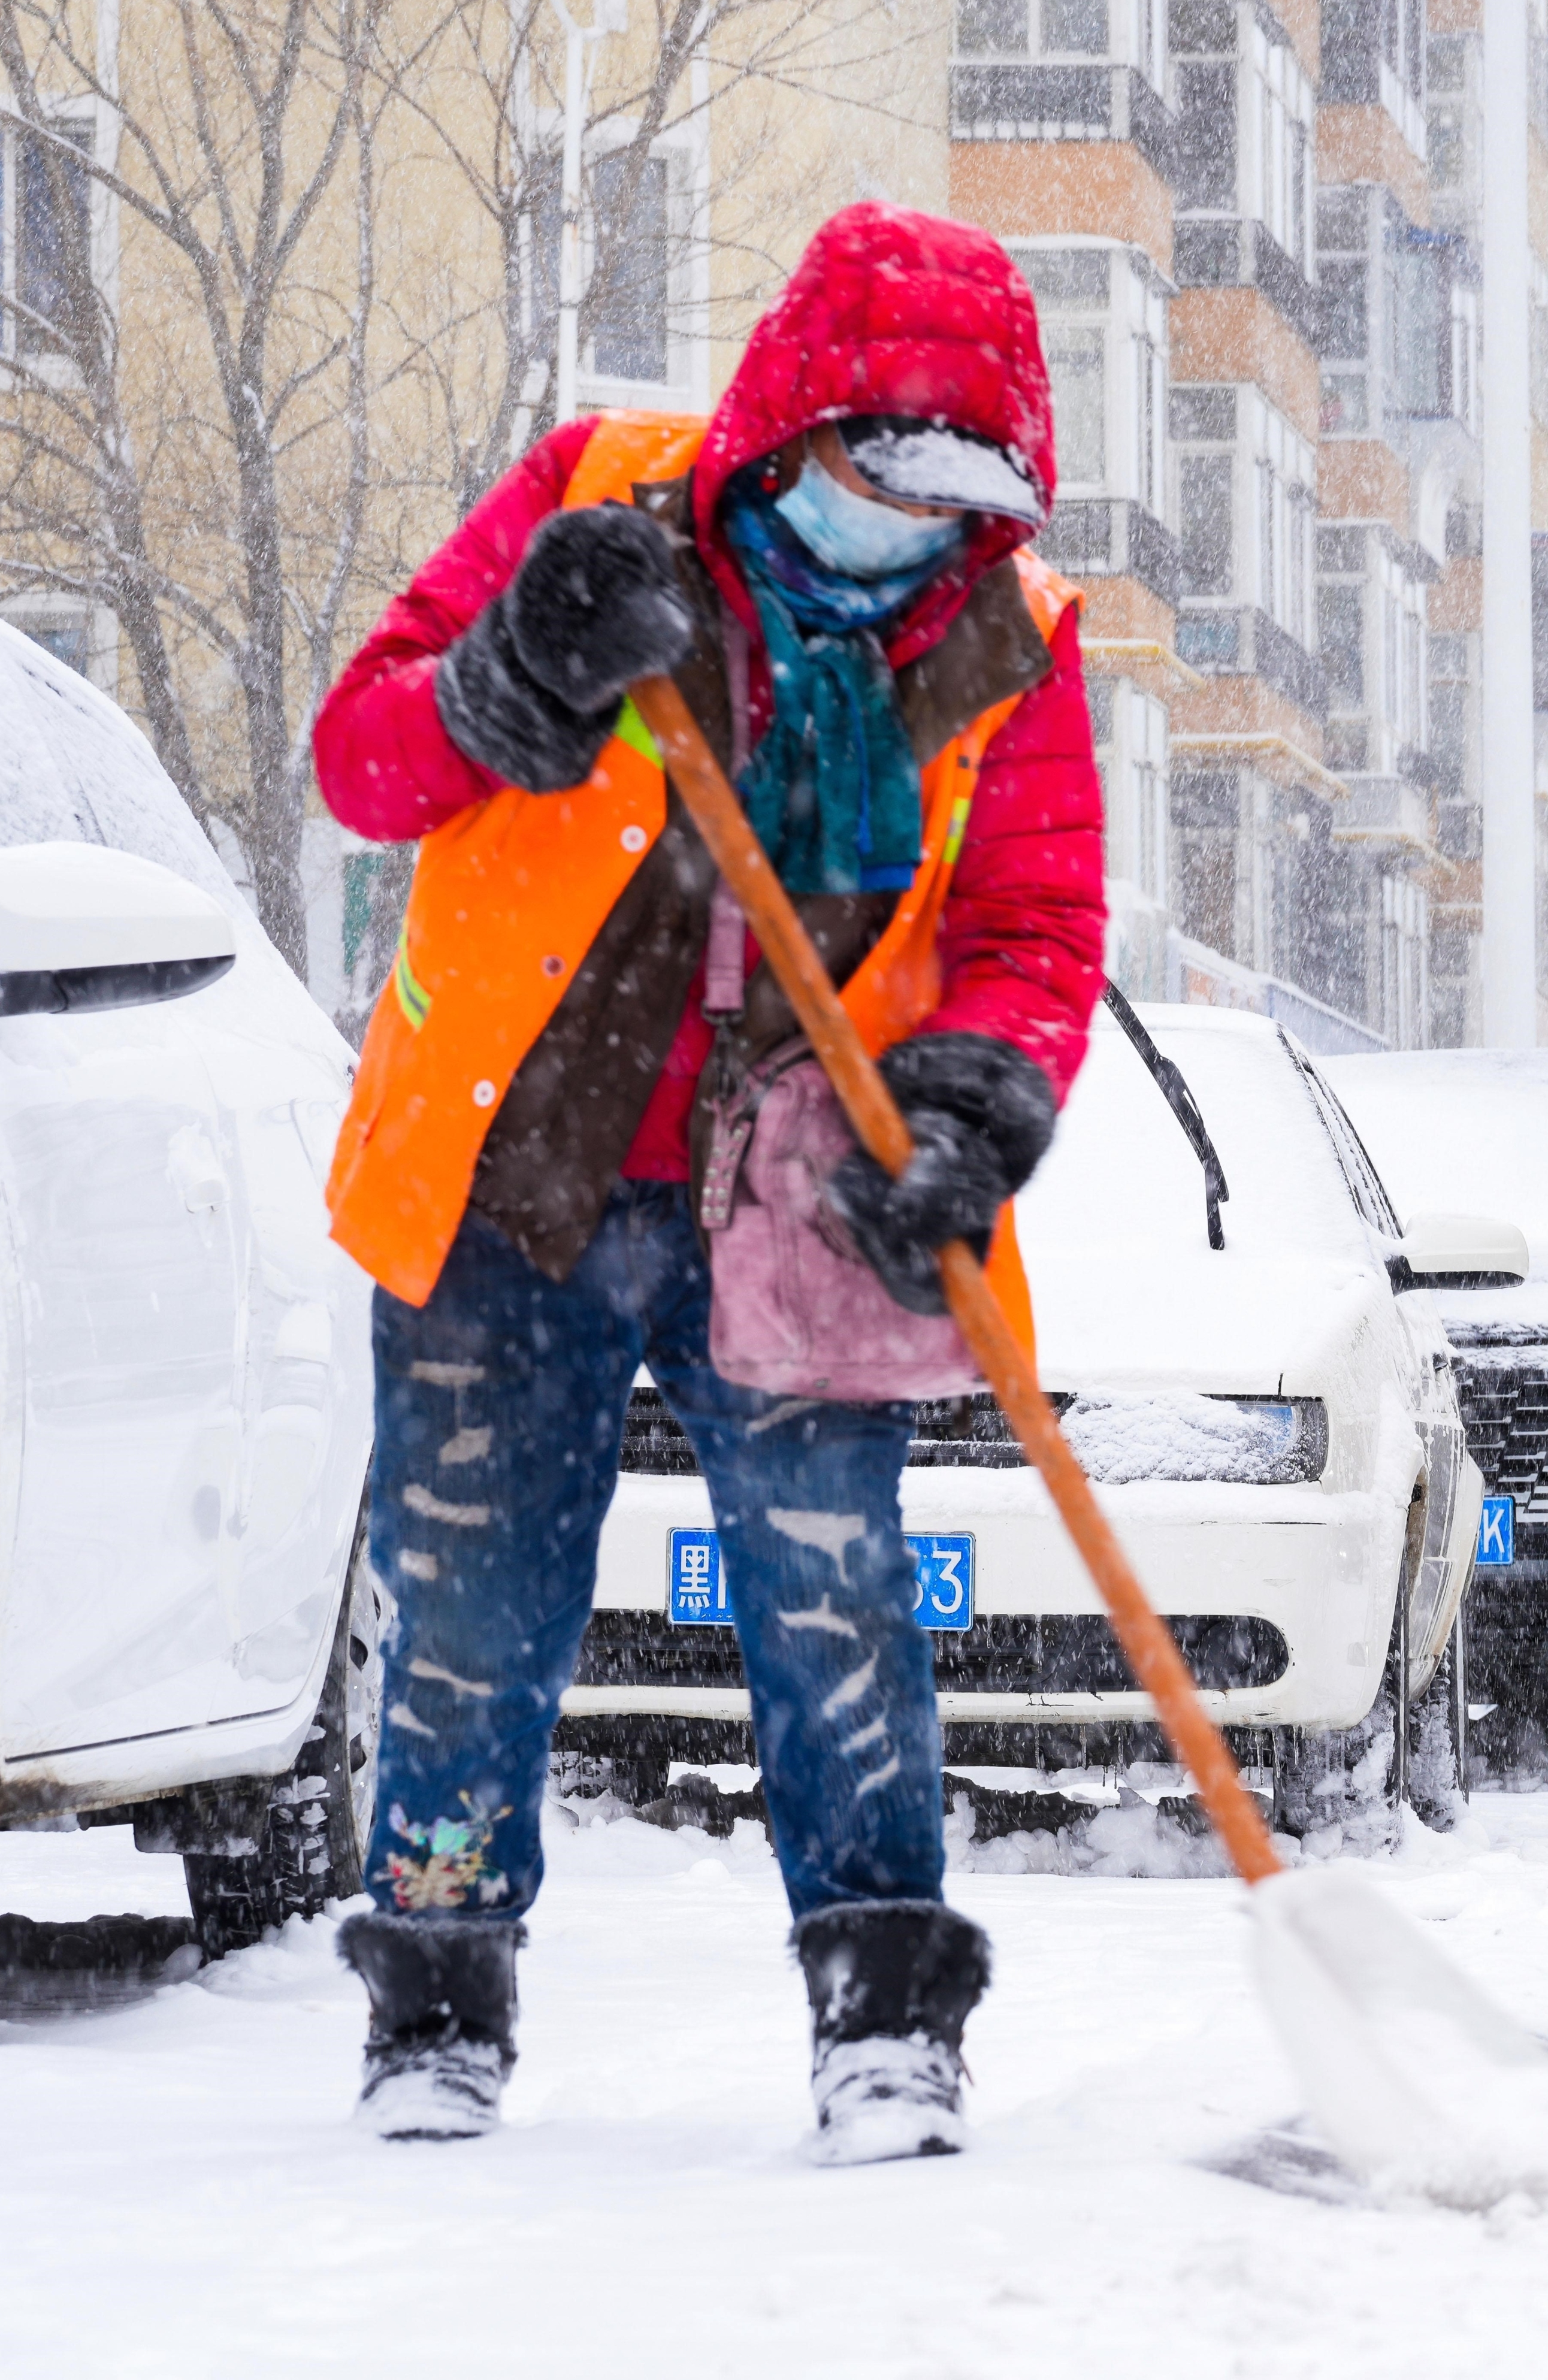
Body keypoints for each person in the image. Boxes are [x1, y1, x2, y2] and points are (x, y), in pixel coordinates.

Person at [309, 202, 1104, 2157]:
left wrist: (982, 1093)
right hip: (523, 1174)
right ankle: (435, 2003)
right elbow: (364, 757)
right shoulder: (600, 509)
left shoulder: (1011, 640)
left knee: (837, 1599)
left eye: (957, 498)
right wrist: (514, 673)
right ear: (793, 430)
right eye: (880, 479)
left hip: (808, 1200)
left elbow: (1033, 922)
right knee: (473, 1606)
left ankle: (886, 2014)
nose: (908, 532)